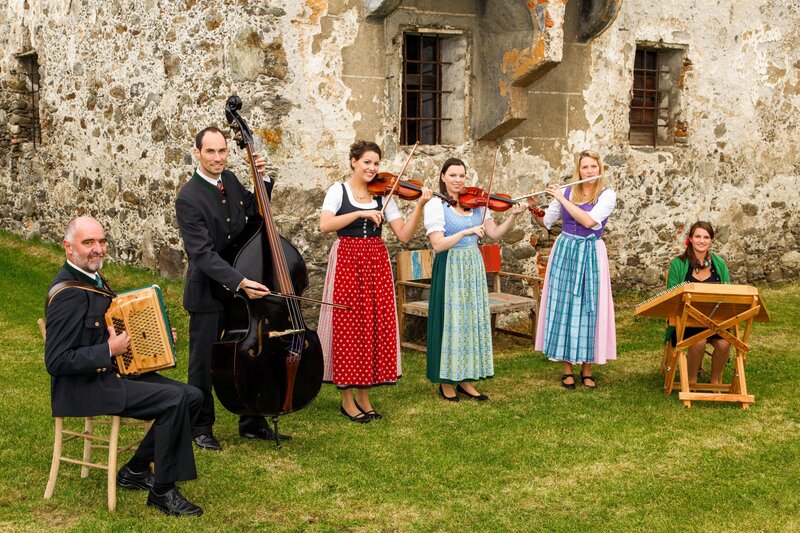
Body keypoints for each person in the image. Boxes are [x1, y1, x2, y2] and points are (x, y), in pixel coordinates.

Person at [45, 217, 204, 516]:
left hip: (111, 375)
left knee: (193, 396)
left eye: (102, 241)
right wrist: (108, 350)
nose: (98, 248)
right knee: (174, 400)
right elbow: (56, 361)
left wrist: (158, 334)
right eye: (88, 242)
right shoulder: (68, 294)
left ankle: (135, 470)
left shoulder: (94, 281)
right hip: (83, 388)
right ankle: (163, 491)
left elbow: (111, 328)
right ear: (68, 247)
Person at [175, 126, 283, 451]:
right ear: (197, 153)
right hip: (209, 293)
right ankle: (200, 426)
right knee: (203, 363)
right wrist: (240, 282)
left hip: (239, 290)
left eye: (222, 151)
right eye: (210, 151)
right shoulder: (188, 198)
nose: (218, 157)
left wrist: (262, 181)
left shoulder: (231, 180)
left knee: (248, 354)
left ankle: (252, 420)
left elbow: (255, 212)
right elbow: (202, 254)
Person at [318, 140, 432, 422]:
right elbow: (325, 225)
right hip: (347, 261)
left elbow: (403, 235)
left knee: (372, 325)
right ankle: (347, 399)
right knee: (348, 326)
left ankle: (364, 397)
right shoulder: (338, 191)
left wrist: (419, 205)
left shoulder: (384, 194)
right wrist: (359, 213)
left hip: (375, 263)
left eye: (376, 163)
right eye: (367, 162)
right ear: (354, 161)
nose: (372, 168)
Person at [423, 157, 527, 401]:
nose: (458, 180)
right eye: (453, 175)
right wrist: (464, 232)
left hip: (473, 266)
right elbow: (438, 245)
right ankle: (446, 381)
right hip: (450, 266)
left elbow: (494, 233)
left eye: (462, 175)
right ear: (443, 177)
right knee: (451, 322)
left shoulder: (478, 204)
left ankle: (466, 379)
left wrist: (513, 216)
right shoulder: (436, 205)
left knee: (471, 321)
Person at [532, 150, 617, 389]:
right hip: (566, 250)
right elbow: (546, 222)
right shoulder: (568, 191)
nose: (589, 171)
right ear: (578, 170)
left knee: (590, 306)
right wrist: (532, 208)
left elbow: (589, 221)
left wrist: (562, 198)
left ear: (600, 169)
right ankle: (567, 368)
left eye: (593, 167)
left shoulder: (607, 195)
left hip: (590, 252)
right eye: (584, 167)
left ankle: (587, 369)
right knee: (565, 306)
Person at [666, 221, 731, 384]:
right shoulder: (678, 264)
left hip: (715, 321)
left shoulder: (720, 264)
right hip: (686, 322)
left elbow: (728, 294)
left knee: (724, 345)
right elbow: (671, 297)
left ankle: (714, 382)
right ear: (690, 239)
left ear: (711, 240)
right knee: (699, 341)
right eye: (697, 236)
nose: (701, 241)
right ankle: (692, 381)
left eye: (706, 237)